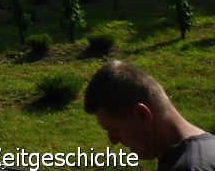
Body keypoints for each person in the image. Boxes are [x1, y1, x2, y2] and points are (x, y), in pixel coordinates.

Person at [84, 60, 215, 171]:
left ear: (142, 114)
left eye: (114, 130)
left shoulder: (190, 167)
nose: (113, 140)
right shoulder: (208, 150)